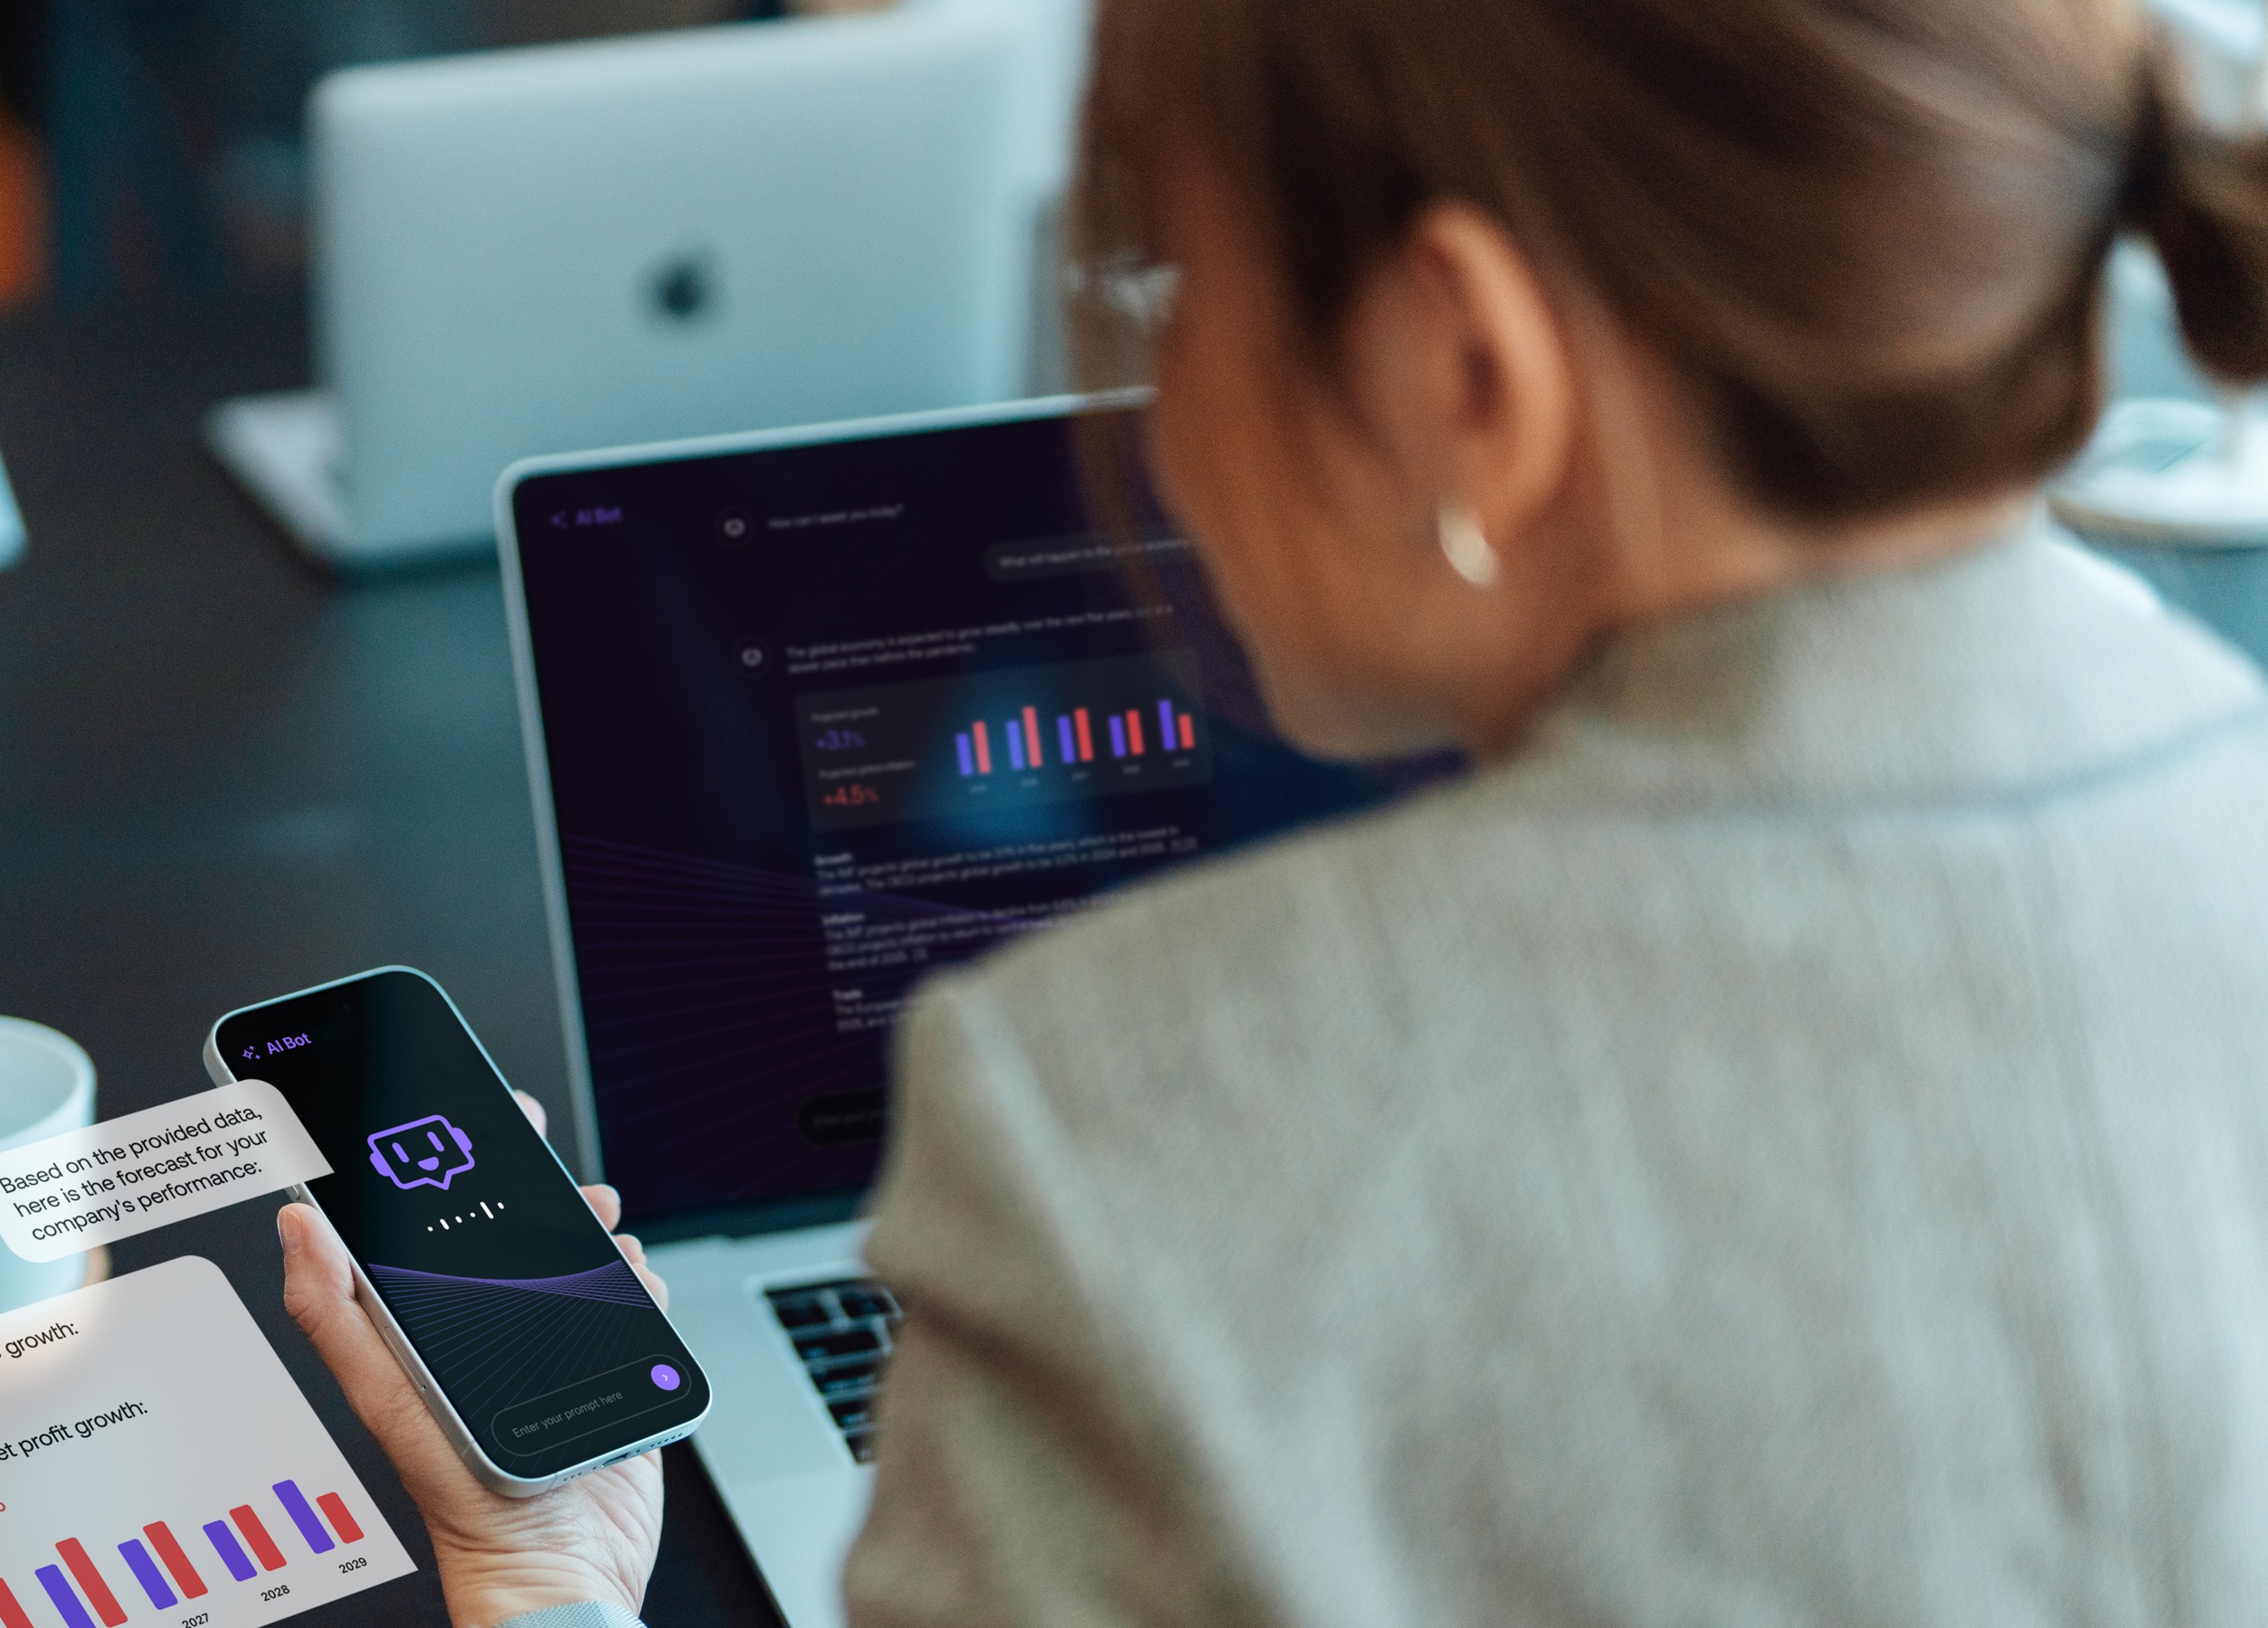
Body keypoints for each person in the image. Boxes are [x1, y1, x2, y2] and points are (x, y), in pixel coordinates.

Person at [280, 0, 2268, 1620]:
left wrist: (541, 1581)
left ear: (1463, 363)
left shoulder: (1108, 1116)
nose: (1143, 410)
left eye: (1162, 292)